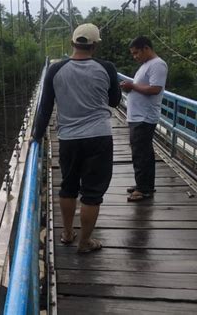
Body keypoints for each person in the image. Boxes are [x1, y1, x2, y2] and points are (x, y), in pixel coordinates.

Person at [32, 23, 121, 253]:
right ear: (95, 45)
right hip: (99, 137)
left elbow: (45, 108)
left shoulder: (55, 70)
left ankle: (68, 233)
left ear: (73, 43)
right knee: (92, 193)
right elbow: (114, 102)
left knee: (68, 187)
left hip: (69, 138)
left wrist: (36, 136)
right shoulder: (107, 68)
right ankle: (84, 243)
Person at [120, 36, 168, 202]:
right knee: (143, 152)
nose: (135, 57)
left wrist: (132, 86)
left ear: (146, 48)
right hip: (138, 116)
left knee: (140, 153)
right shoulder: (146, 65)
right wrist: (131, 86)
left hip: (144, 117)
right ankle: (145, 184)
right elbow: (145, 86)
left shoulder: (158, 65)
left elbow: (155, 89)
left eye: (136, 53)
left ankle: (143, 189)